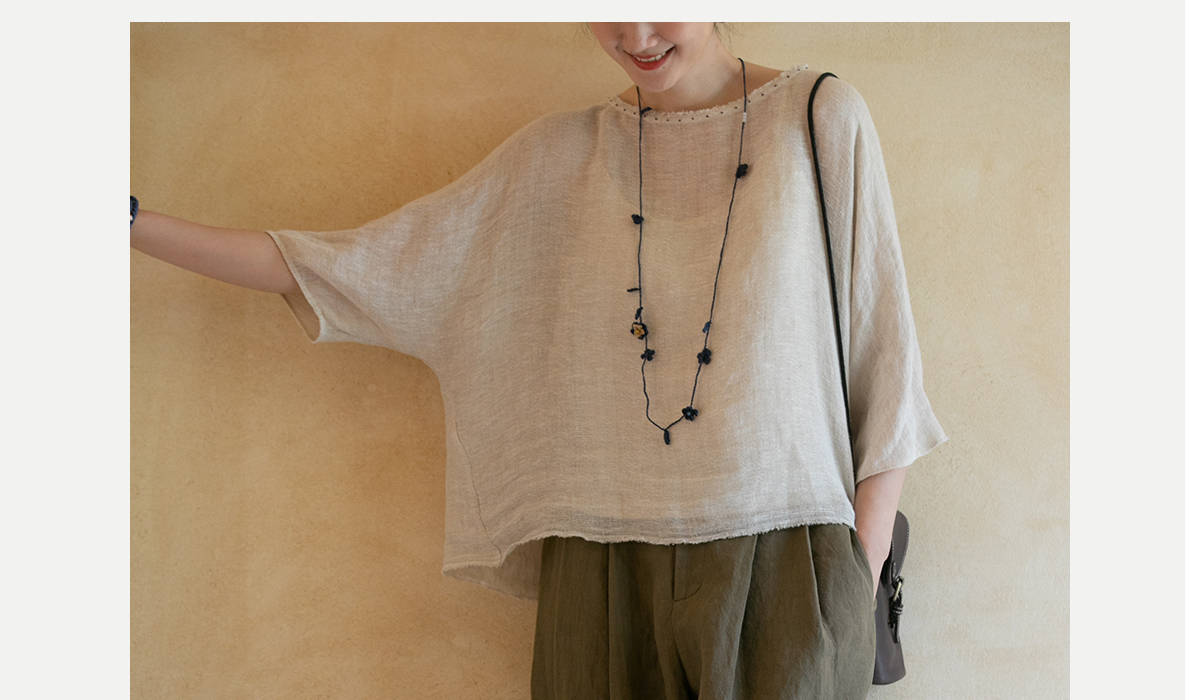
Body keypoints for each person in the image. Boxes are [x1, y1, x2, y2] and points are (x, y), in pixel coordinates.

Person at [131, 22, 946, 700]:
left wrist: (853, 580)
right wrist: (131, 222)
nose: (634, 32)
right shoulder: (558, 157)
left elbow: (887, 371)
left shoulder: (818, 117)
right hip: (600, 575)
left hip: (785, 567)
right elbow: (356, 266)